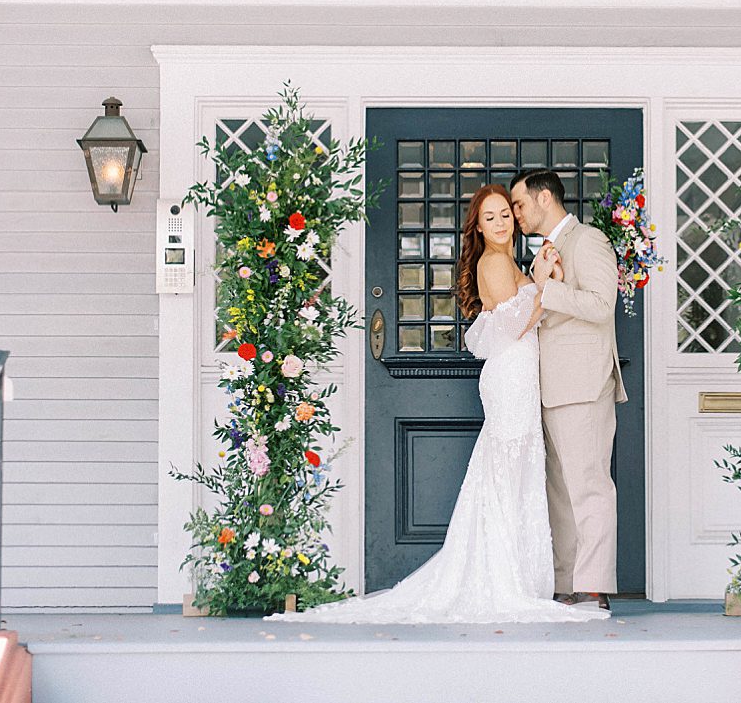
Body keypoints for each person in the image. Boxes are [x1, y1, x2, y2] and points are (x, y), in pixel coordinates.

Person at [267, 184, 605, 624]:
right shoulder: (493, 261)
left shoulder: (509, 262)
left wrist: (543, 278)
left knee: (517, 470)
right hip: (510, 377)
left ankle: (519, 577)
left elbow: (527, 310)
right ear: (478, 227)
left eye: (506, 213)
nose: (502, 222)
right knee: (508, 470)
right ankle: (504, 581)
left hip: (521, 375)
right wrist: (543, 287)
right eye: (491, 217)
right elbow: (517, 325)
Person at [509, 169, 626, 613]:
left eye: (520, 204)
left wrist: (546, 288)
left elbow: (601, 305)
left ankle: (594, 588)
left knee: (590, 487)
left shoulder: (589, 240)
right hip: (548, 386)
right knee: (559, 492)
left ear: (543, 198)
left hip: (583, 383)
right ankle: (566, 584)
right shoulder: (543, 253)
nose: (516, 213)